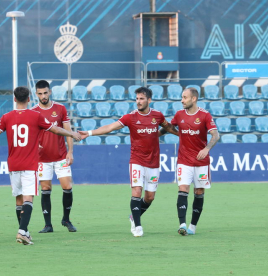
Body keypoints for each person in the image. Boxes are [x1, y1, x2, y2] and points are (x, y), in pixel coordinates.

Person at [0, 86, 81, 245]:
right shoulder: (35, 116)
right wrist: (72, 133)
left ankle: (24, 231)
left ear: (14, 99)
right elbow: (56, 130)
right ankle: (22, 232)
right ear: (30, 98)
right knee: (28, 199)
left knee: (18, 200)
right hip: (30, 163)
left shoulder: (6, 117)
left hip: (13, 164)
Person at [79, 86, 178, 237]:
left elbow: (168, 127)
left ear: (149, 100)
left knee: (149, 197)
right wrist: (90, 132)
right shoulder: (130, 117)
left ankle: (134, 216)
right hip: (137, 160)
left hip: (153, 161)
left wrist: (183, 135)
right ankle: (137, 226)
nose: (138, 102)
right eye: (137, 99)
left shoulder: (157, 116)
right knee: (136, 191)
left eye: (141, 99)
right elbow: (110, 127)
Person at [165, 87, 219, 236]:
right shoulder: (179, 114)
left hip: (201, 161)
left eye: (184, 97)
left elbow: (215, 135)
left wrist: (206, 149)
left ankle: (193, 226)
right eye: (182, 97)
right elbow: (169, 127)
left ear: (193, 99)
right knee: (183, 189)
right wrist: (154, 134)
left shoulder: (205, 115)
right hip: (184, 160)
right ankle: (182, 224)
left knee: (199, 192)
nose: (182, 100)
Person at [32, 80, 76, 233]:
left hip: (61, 156)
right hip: (42, 159)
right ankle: (48, 225)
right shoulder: (33, 112)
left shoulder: (60, 108)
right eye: (40, 93)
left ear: (49, 92)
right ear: (36, 94)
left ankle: (66, 219)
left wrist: (70, 152)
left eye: (45, 93)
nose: (43, 96)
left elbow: (68, 131)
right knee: (45, 188)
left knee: (67, 186)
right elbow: (31, 135)